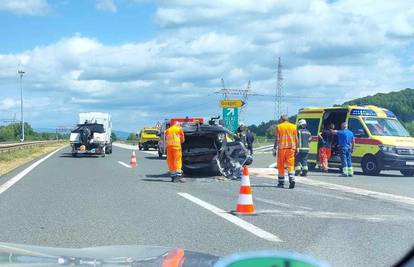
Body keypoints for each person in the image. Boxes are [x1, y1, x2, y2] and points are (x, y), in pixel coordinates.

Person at [273, 114, 298, 189]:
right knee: (290, 165)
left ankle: (281, 183)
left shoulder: (279, 126)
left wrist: (274, 148)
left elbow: (277, 139)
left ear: (281, 119)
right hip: (291, 149)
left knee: (281, 165)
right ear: (288, 119)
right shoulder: (294, 126)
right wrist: (297, 148)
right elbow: (296, 138)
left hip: (282, 149)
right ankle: (292, 179)